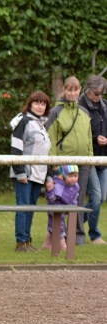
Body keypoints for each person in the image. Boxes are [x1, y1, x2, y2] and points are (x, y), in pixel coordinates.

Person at [45, 76, 93, 245]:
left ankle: (77, 237)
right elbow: (50, 139)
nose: (73, 93)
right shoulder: (55, 112)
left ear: (80, 90)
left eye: (76, 90)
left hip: (82, 164)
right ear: (64, 90)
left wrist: (90, 160)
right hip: (63, 164)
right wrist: (54, 164)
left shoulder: (85, 113)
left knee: (77, 201)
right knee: (58, 202)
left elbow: (88, 138)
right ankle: (57, 237)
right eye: (69, 90)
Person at [9, 90, 52, 251]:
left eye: (43, 104)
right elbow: (16, 148)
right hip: (25, 173)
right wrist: (20, 172)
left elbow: (43, 153)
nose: (40, 106)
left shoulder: (41, 124)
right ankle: (20, 242)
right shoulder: (23, 121)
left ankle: (27, 240)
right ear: (30, 104)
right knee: (23, 207)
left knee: (31, 208)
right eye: (37, 103)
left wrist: (48, 176)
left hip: (39, 174)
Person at [78, 75, 107, 245]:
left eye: (102, 93)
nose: (99, 97)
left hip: (104, 158)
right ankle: (95, 235)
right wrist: (96, 139)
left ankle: (75, 222)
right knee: (95, 196)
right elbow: (81, 132)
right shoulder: (81, 106)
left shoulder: (105, 106)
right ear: (88, 90)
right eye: (96, 93)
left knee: (102, 197)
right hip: (89, 157)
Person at [43, 165, 81, 252]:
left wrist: (73, 207)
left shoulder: (75, 186)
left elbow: (74, 197)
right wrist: (50, 189)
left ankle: (47, 244)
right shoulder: (58, 185)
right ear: (64, 176)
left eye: (75, 176)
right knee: (59, 227)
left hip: (64, 209)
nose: (73, 179)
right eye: (70, 176)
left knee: (52, 226)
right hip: (55, 210)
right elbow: (51, 197)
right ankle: (63, 245)